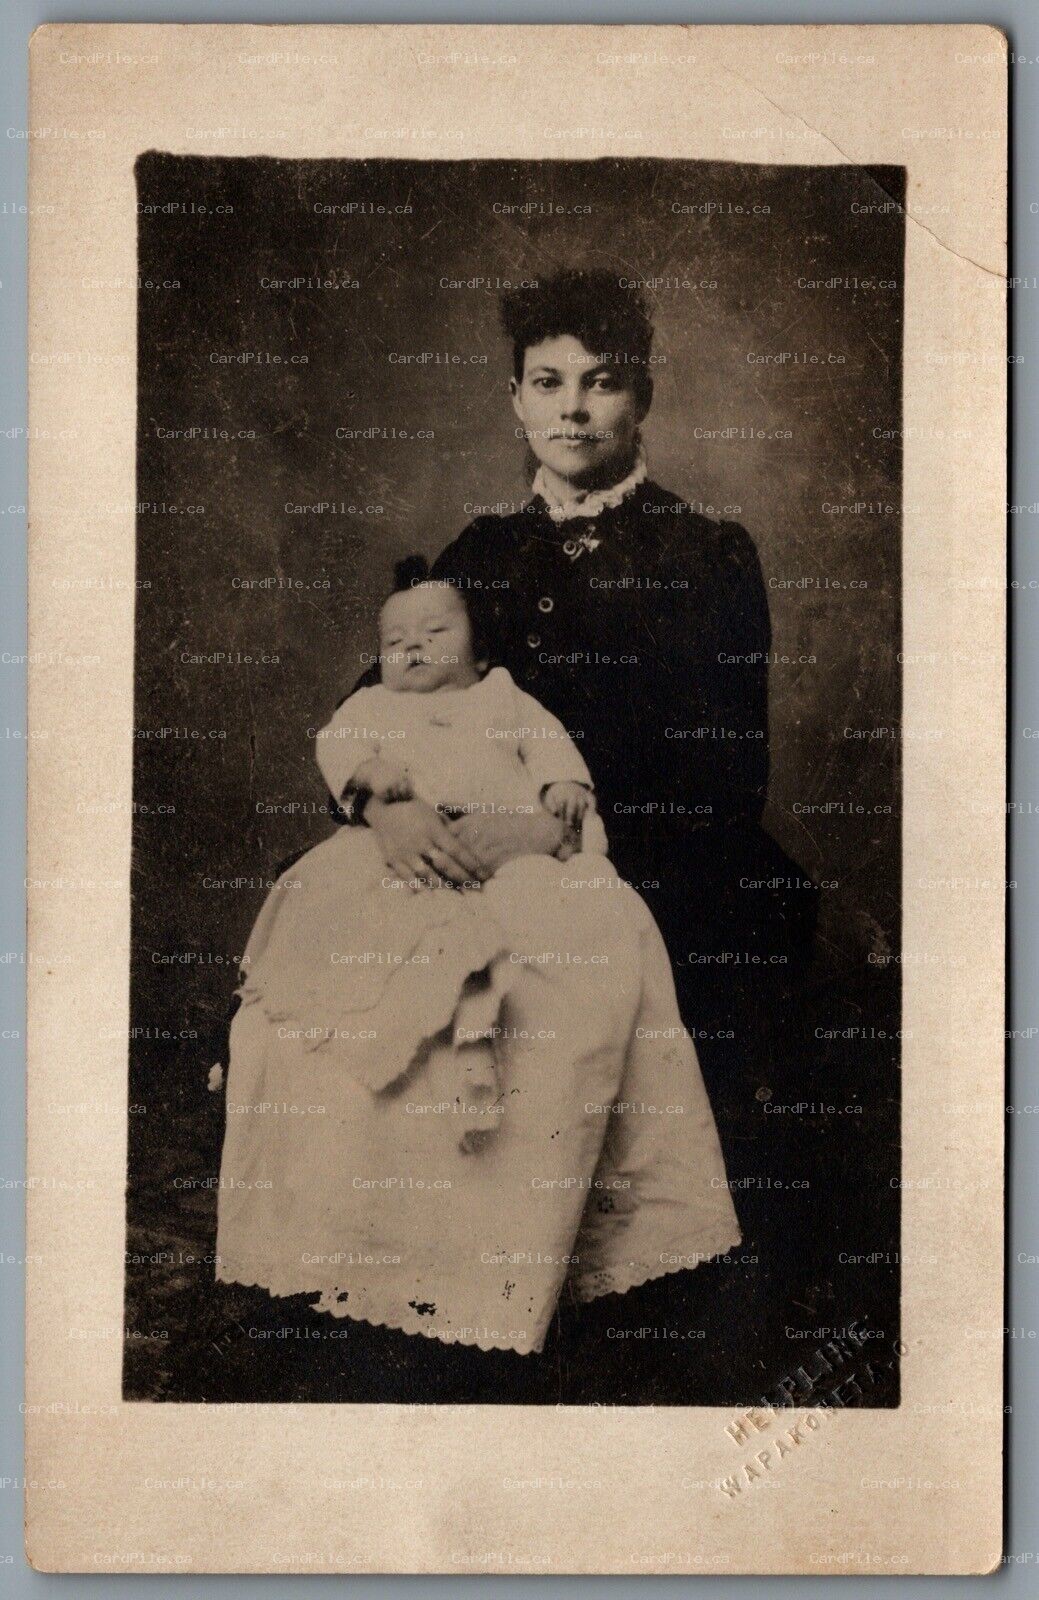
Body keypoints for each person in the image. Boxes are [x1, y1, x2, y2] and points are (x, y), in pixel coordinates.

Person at [214, 559, 740, 1359]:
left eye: (434, 633)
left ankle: (500, 1254)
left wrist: (563, 794)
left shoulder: (505, 700)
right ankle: (358, 1243)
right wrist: (373, 781)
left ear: (477, 643)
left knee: (563, 949)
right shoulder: (371, 706)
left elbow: (551, 751)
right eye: (396, 640)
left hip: (512, 854)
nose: (414, 649)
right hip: (392, 854)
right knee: (343, 965)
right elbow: (338, 747)